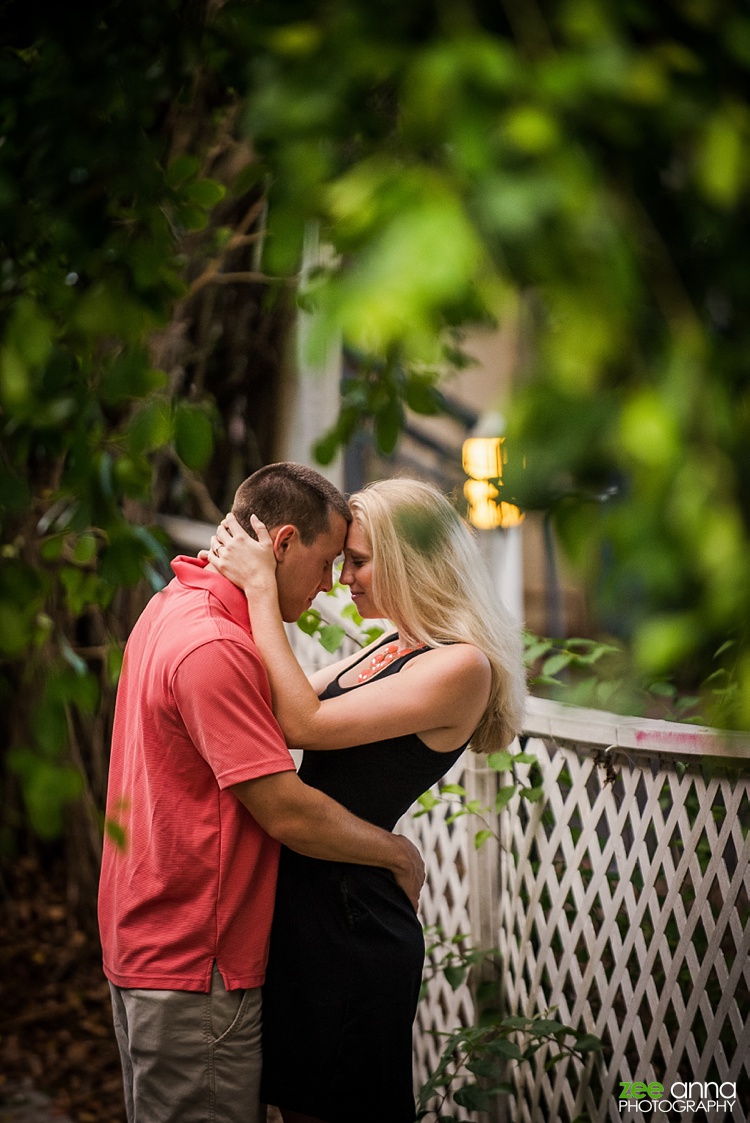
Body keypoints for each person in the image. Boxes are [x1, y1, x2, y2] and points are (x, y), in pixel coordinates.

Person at [97, 463, 425, 1123]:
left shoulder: (174, 606)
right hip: (196, 960)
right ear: (280, 544)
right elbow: (284, 810)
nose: (332, 582)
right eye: (329, 560)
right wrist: (394, 854)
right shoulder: (216, 645)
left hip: (151, 941)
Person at [210, 476, 527, 1123]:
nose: (342, 578)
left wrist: (263, 589)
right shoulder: (394, 646)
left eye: (356, 561)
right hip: (315, 901)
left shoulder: (461, 668)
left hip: (354, 924)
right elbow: (274, 708)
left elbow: (305, 723)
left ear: (409, 562)